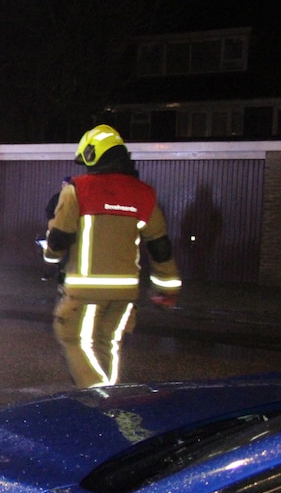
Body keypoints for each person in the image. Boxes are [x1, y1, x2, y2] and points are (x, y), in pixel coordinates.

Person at [43, 125, 182, 388]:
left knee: (73, 338)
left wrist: (50, 255)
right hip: (125, 292)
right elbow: (160, 245)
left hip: (85, 289)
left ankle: (101, 400)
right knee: (107, 343)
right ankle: (108, 397)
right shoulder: (143, 193)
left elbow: (59, 238)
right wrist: (167, 287)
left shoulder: (78, 189)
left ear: (94, 154)